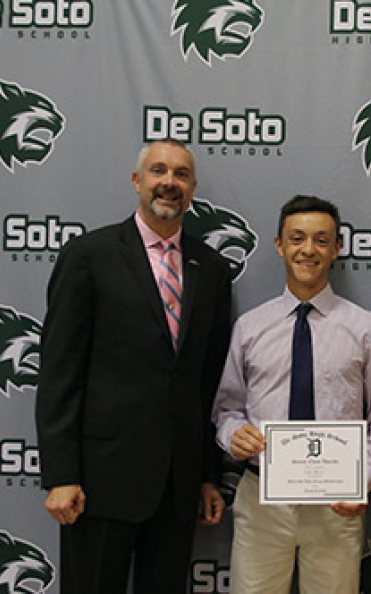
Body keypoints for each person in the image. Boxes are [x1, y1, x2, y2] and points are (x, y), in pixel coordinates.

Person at [35, 138, 232, 593]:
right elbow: (60, 372)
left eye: (181, 174)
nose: (169, 182)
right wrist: (62, 475)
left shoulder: (212, 268)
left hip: (176, 488)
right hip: (99, 484)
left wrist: (206, 474)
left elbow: (208, 384)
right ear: (137, 181)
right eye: (159, 171)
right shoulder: (89, 256)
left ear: (193, 187)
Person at [211, 195, 371, 594]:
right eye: (297, 238)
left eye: (320, 239)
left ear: (337, 248)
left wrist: (359, 480)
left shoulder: (365, 330)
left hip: (336, 503)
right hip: (262, 496)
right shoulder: (250, 327)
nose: (308, 250)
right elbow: (227, 408)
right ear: (279, 245)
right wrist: (234, 435)